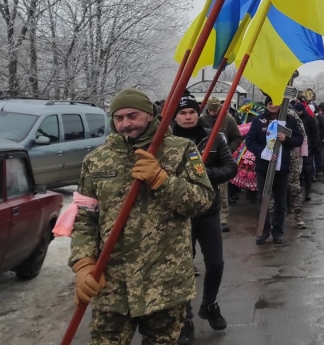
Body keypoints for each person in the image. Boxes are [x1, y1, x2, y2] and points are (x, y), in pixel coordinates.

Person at [69, 88, 215, 345]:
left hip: (164, 283)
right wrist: (83, 264)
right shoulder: (96, 161)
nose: (125, 123)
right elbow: (84, 218)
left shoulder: (181, 151)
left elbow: (202, 201)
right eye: (119, 118)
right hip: (112, 283)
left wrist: (162, 180)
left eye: (133, 116)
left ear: (150, 115)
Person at [171, 97, 237, 344]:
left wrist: (206, 174)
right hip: (179, 214)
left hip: (209, 211)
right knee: (182, 267)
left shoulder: (214, 138)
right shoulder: (167, 142)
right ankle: (185, 318)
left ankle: (209, 304)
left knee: (216, 263)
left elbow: (231, 168)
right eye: (183, 113)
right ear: (175, 117)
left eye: (191, 112)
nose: (188, 116)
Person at [246, 94, 304, 244]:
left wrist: (287, 139)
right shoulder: (259, 121)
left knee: (280, 200)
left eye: (275, 103)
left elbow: (299, 139)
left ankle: (278, 231)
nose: (272, 105)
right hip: (263, 167)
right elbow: (250, 141)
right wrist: (263, 153)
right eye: (269, 103)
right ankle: (262, 231)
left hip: (282, 167)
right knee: (263, 199)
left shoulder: (288, 120)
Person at [203, 96, 242, 232]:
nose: (213, 113)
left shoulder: (228, 120)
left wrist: (228, 150)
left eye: (216, 110)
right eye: (211, 110)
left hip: (221, 161)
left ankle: (223, 218)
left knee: (222, 192)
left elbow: (237, 137)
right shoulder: (202, 121)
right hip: (205, 161)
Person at [291, 100, 316, 228]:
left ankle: (298, 215)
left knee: (299, 182)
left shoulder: (297, 119)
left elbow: (304, 137)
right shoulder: (264, 118)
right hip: (277, 158)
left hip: (299, 154)